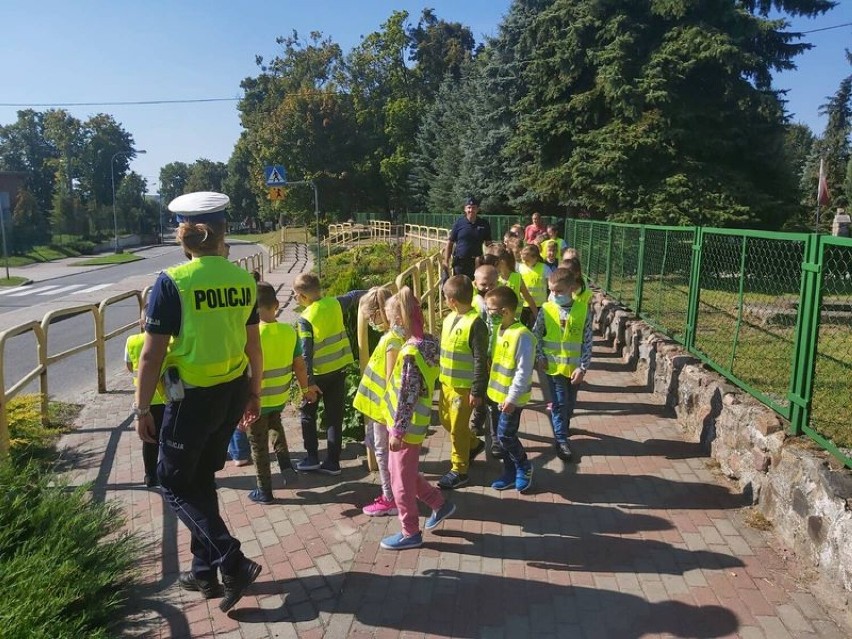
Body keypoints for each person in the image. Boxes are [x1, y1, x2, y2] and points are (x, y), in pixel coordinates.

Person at [134, 191, 262, 612]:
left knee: (169, 482)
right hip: (232, 391)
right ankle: (204, 571)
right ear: (223, 231)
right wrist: (255, 392)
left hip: (192, 399)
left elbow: (151, 354)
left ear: (185, 234)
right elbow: (253, 345)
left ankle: (231, 558)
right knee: (200, 479)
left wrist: (140, 409)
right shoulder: (243, 279)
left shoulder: (173, 282)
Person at [380, 287, 455, 550]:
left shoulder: (411, 353)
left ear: (400, 319)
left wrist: (398, 432)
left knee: (399, 482)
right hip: (412, 425)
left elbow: (406, 395)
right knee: (403, 473)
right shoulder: (428, 343)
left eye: (392, 320)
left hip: (405, 429)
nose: (391, 326)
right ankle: (438, 503)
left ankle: (410, 531)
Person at [242, 282, 317, 504]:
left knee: (258, 444)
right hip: (280, 396)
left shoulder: (249, 337)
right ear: (276, 305)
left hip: (257, 400)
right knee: (276, 426)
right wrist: (305, 389)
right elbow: (299, 365)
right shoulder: (288, 332)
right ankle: (287, 468)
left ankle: (264, 490)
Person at [294, 273, 366, 475]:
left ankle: (312, 458)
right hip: (339, 370)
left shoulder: (305, 318)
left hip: (318, 376)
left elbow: (306, 353)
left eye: (295, 295)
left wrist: (307, 383)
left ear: (303, 296)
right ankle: (333, 462)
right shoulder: (334, 303)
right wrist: (375, 292)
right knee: (335, 417)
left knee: (308, 414)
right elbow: (353, 295)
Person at [533, 264, 593, 461]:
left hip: (574, 368)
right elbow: (537, 335)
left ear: (571, 289)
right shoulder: (547, 309)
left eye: (558, 291)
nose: (554, 294)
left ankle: (564, 427)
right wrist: (540, 355)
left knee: (570, 402)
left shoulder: (583, 310)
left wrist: (583, 367)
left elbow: (587, 341)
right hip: (553, 367)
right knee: (559, 403)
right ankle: (561, 440)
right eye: (551, 290)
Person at [353, 287, 403, 517]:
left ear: (379, 313)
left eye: (370, 318)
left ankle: (390, 498)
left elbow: (393, 379)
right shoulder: (392, 336)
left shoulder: (392, 340)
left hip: (384, 410)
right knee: (381, 450)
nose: (369, 323)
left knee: (383, 454)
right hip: (379, 408)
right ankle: (394, 493)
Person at [436, 276, 488, 489]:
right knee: (446, 422)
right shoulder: (450, 318)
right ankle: (474, 444)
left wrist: (477, 390)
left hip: (463, 388)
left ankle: (459, 470)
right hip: (447, 384)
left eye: (446, 298)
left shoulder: (475, 324)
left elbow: (479, 360)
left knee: (457, 429)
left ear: (452, 301)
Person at [484, 286, 535, 493]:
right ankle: (510, 471)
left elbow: (523, 372)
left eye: (490, 310)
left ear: (505, 311)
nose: (488, 313)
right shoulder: (498, 330)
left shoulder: (522, 336)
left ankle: (524, 466)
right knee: (499, 435)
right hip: (496, 395)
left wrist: (512, 398)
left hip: (512, 399)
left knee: (506, 435)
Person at [125, 310, 165, 488]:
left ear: (141, 322)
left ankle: (150, 476)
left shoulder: (132, 341)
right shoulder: (168, 340)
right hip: (166, 398)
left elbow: (128, 366)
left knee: (149, 440)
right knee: (167, 438)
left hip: (144, 399)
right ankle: (166, 472)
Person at [470, 264, 499, 440]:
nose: (487, 288)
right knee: (479, 391)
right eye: (483, 285)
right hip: (479, 355)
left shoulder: (499, 301)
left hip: (496, 356)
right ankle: (478, 421)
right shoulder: (475, 302)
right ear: (475, 283)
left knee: (494, 397)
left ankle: (495, 437)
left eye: (492, 285)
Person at [443, 196, 492, 280]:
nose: (471, 210)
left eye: (473, 208)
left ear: (477, 209)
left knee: (476, 287)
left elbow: (489, 244)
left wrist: (490, 261)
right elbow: (450, 243)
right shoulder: (459, 223)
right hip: (460, 263)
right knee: (460, 288)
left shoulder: (484, 224)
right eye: (469, 208)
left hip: (477, 263)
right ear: (465, 209)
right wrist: (446, 261)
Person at [496, 248, 538, 321]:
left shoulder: (517, 277)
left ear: (502, 262)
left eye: (496, 263)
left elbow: (528, 297)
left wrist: (537, 315)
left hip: (515, 320)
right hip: (499, 319)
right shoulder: (495, 278)